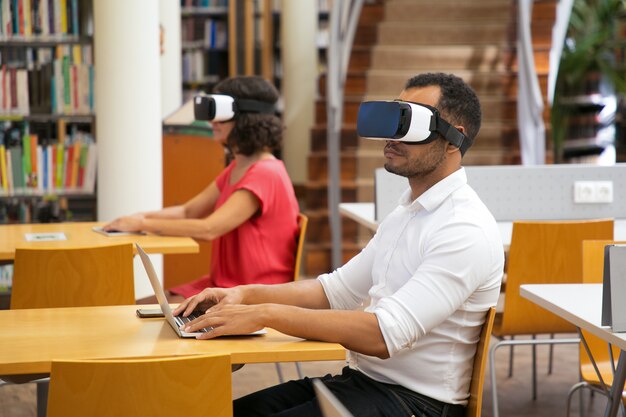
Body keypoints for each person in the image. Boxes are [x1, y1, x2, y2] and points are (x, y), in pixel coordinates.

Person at [173, 72, 505, 417]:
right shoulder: (407, 212)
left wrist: (265, 314)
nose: (391, 135)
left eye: (410, 121)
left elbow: (382, 335)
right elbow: (335, 291)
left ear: (454, 140)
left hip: (416, 403)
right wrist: (244, 294)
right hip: (362, 383)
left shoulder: (464, 229)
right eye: (394, 116)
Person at [104, 76, 300, 299]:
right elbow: (188, 211)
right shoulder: (239, 166)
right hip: (224, 286)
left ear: (247, 119)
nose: (212, 122)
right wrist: (136, 218)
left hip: (250, 294)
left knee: (134, 311)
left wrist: (141, 224)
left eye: (220, 115)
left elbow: (209, 229)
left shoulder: (265, 173)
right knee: (133, 307)